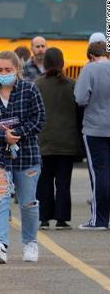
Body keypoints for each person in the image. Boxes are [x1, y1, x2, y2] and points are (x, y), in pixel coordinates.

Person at [0, 51, 46, 264]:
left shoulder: (30, 90)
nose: (3, 73)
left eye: (8, 70)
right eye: (0, 70)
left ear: (17, 70)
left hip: (27, 153)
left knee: (28, 202)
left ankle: (30, 242)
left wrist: (17, 134)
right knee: (0, 197)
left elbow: (39, 119)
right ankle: (0, 243)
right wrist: (3, 136)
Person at [35, 47, 82, 230]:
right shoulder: (72, 84)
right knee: (63, 182)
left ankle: (44, 218)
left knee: (44, 180)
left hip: (44, 141)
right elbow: (79, 112)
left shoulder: (37, 85)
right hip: (67, 142)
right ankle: (62, 219)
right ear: (62, 63)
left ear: (45, 63)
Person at [74, 41, 110, 230]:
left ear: (91, 56)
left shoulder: (89, 70)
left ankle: (99, 220)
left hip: (95, 128)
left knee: (99, 174)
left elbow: (80, 98)